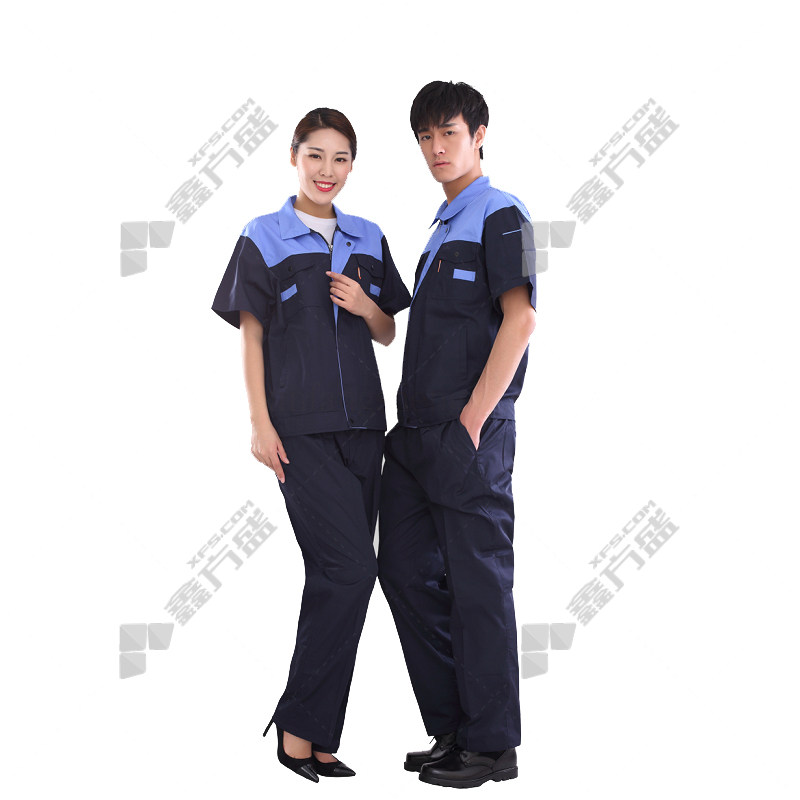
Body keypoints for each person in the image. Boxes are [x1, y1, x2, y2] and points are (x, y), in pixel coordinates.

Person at [211, 108, 412, 782]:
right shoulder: (263, 235)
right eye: (316, 156)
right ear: (294, 156)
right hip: (299, 431)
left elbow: (387, 331)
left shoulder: (368, 235)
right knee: (350, 570)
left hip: (365, 430)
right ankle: (297, 725)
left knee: (340, 577)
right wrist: (259, 423)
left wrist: (366, 306)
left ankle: (316, 735)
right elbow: (252, 335)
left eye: (341, 158)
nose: (328, 170)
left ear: (352, 165)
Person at [377, 81, 538, 788]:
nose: (437, 148)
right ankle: (455, 730)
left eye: (449, 133)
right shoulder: (443, 226)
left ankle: (493, 745)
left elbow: (521, 320)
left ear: (479, 135)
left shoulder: (502, 214)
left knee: (478, 587)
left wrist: (472, 422)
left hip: (469, 436)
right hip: (415, 437)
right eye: (425, 137)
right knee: (402, 571)